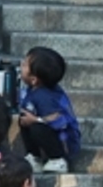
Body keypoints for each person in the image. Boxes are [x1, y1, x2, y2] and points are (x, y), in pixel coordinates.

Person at [16, 46, 81, 174]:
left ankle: (58, 159)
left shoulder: (46, 97)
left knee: (36, 127)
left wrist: (37, 120)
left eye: (25, 65)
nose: (21, 65)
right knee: (24, 120)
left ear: (34, 80)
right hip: (47, 128)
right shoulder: (32, 89)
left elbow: (59, 121)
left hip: (64, 141)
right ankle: (34, 157)